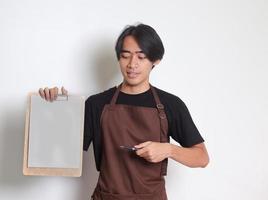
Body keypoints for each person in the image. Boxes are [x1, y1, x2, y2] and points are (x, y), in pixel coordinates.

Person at [39, 23, 209, 200]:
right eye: (125, 56)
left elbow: (202, 157)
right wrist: (55, 108)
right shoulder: (96, 104)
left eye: (141, 57)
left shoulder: (170, 105)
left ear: (155, 60)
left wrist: (168, 149)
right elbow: (60, 156)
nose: (132, 64)